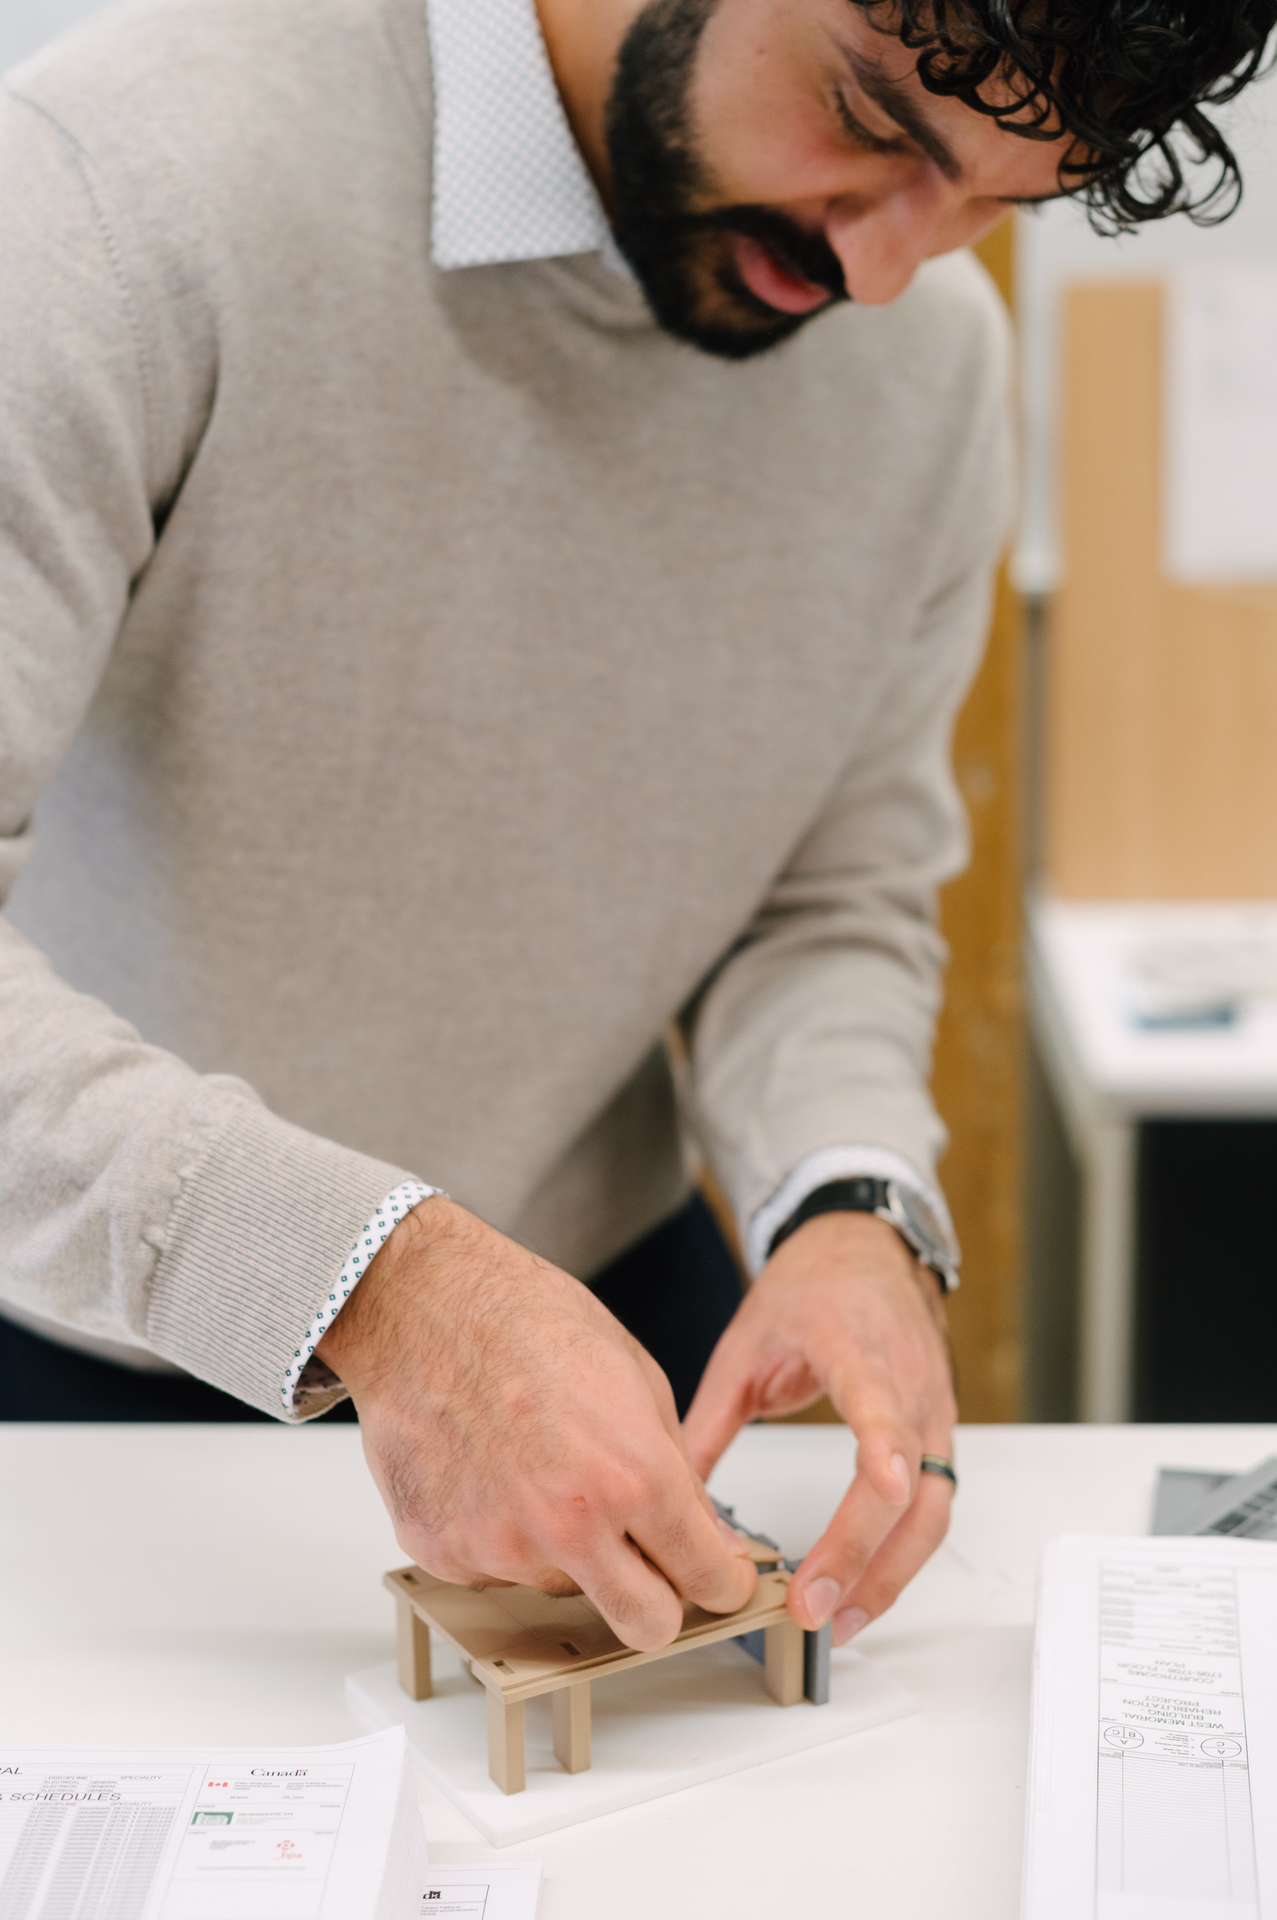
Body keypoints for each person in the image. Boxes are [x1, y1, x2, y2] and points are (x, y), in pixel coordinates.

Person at [0, 0, 1270, 1654]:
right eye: (873, 120)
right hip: (89, 1353)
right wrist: (379, 1284)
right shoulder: (118, 190)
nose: (890, 273)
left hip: (613, 1337)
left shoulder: (930, 365)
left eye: (991, 205)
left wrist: (850, 1201)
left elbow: (829, 897)